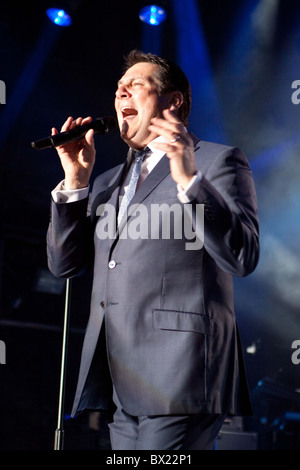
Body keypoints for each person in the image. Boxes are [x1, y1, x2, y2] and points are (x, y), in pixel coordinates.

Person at [46, 49, 259, 450]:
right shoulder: (108, 181)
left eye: (134, 86)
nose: (120, 93)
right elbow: (64, 266)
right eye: (117, 90)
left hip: (183, 369)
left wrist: (190, 180)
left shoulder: (216, 161)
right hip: (118, 377)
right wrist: (76, 182)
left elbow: (242, 256)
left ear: (173, 100)